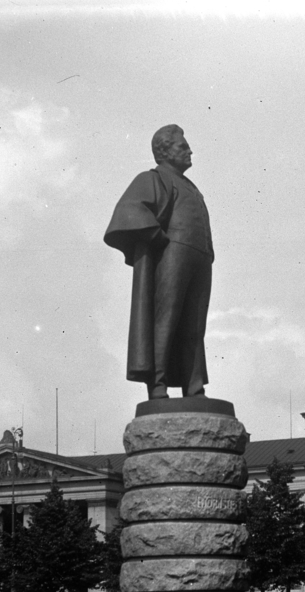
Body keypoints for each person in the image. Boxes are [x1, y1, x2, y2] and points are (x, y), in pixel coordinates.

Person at [105, 125, 214, 400]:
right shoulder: (151, 178)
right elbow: (129, 209)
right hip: (173, 251)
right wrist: (157, 236)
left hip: (200, 256)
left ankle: (193, 386)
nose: (189, 151)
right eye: (182, 147)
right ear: (165, 151)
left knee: (194, 325)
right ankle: (158, 383)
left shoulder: (189, 186)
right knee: (166, 318)